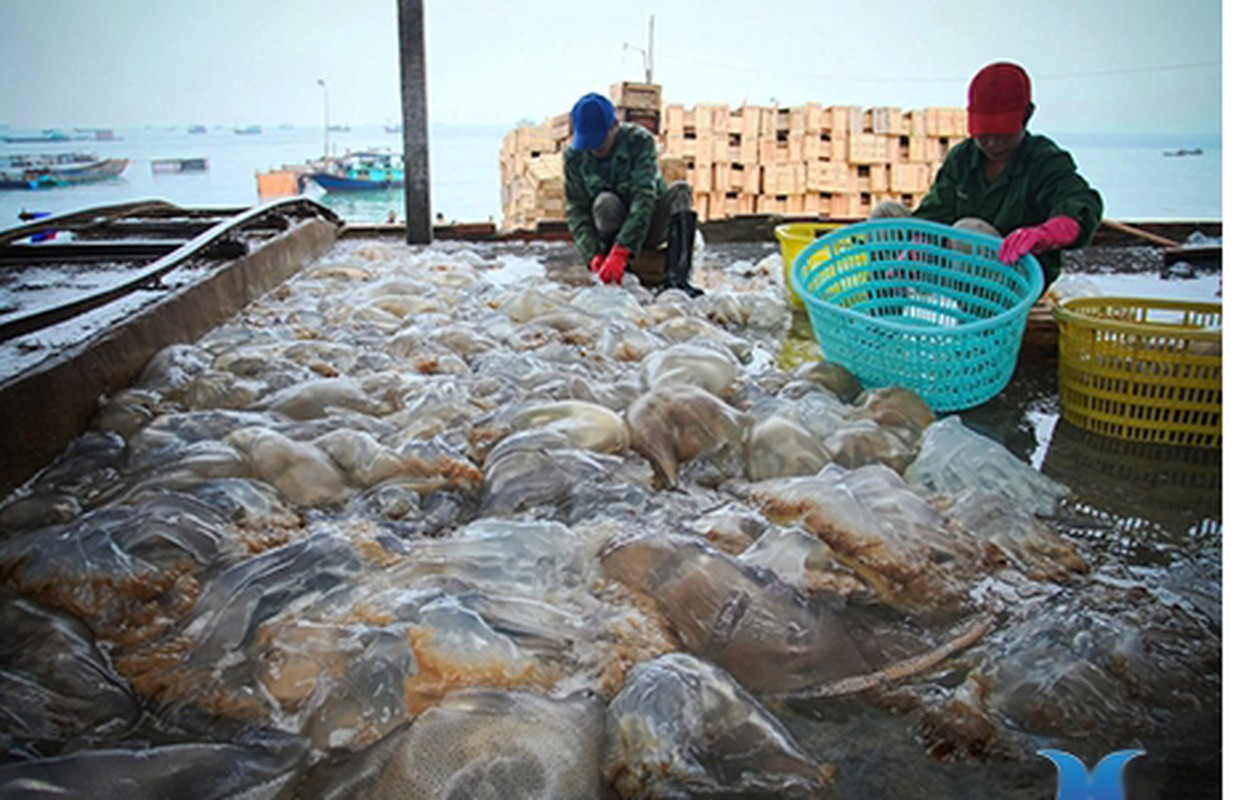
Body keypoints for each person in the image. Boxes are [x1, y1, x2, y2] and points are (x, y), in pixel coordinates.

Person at [877, 61, 1104, 289]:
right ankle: (881, 315)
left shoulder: (1043, 159)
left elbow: (1079, 200)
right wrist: (920, 243)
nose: (993, 144)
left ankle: (978, 323)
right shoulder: (962, 158)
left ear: (1027, 116)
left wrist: (1049, 232)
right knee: (885, 216)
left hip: (1015, 277)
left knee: (969, 232)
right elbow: (937, 211)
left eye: (1004, 135)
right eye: (984, 136)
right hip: (957, 266)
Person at [563, 92, 702, 296]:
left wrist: (623, 249)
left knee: (680, 192)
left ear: (614, 126)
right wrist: (593, 255)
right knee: (604, 202)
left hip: (650, 223)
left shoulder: (639, 141)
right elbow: (576, 210)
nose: (594, 149)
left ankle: (678, 280)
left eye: (599, 141)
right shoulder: (575, 157)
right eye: (589, 143)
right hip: (611, 227)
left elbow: (643, 198)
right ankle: (614, 276)